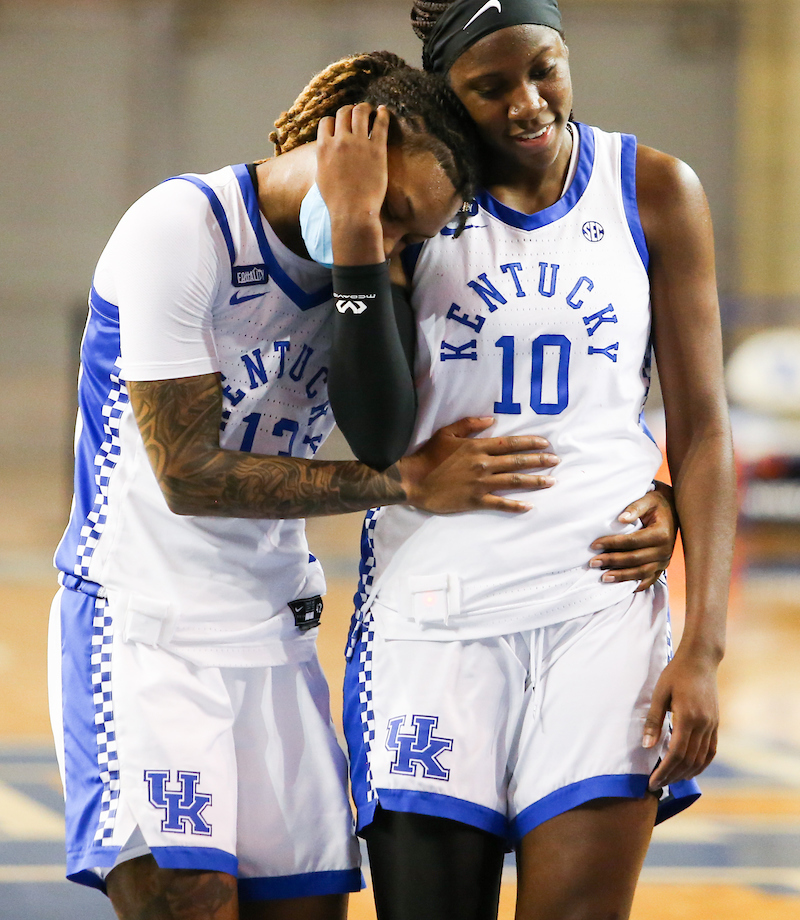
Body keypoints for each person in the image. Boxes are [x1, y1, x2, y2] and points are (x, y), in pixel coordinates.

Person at [49, 51, 571, 920]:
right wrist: (402, 483)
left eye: (415, 235)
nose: (396, 242)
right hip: (144, 629)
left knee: (307, 908)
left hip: (274, 632)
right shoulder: (182, 226)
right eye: (395, 212)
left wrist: (373, 254)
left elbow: (401, 418)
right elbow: (187, 475)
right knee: (192, 897)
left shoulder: (365, 275)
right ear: (346, 142)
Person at [342, 0, 736, 920]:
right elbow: (372, 430)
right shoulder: (413, 202)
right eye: (488, 86)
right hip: (433, 614)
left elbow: (701, 432)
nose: (525, 101)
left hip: (595, 611)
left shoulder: (650, 190)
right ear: (443, 93)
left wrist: (702, 648)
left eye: (542, 67)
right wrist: (355, 241)